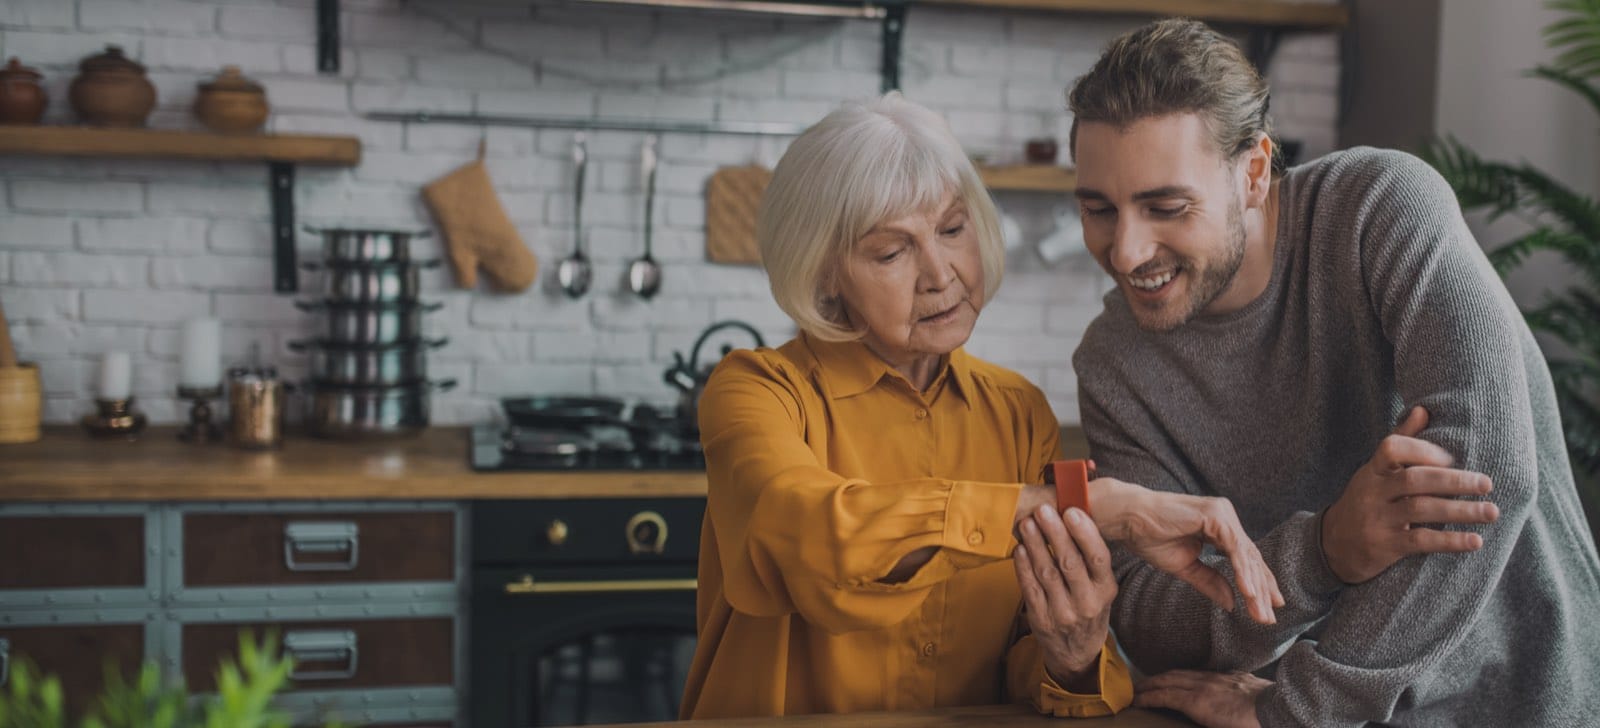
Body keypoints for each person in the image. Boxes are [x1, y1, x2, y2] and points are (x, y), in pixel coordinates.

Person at [678, 93, 1285, 720]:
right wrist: (1074, 509)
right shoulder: (756, 390)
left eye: (952, 230)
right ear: (824, 273)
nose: (940, 275)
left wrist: (1069, 657)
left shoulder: (1017, 413)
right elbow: (802, 535)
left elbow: (1032, 654)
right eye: (892, 252)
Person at [1065, 18, 1600, 727]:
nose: (1127, 251)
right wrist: (1325, 552)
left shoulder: (1379, 206)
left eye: (1166, 207)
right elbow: (1153, 617)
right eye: (1099, 209)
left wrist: (1305, 706)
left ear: (1254, 172)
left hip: (1529, 700)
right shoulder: (1112, 361)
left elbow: (1491, 468)